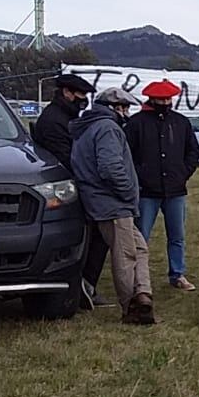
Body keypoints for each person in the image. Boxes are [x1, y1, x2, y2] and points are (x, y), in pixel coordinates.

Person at [69, 86, 156, 325]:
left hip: (103, 201)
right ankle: (132, 307)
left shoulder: (87, 128)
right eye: (124, 108)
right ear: (113, 108)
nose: (127, 113)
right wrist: (129, 192)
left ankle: (143, 293)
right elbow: (110, 167)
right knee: (125, 254)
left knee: (139, 248)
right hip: (113, 203)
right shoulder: (107, 128)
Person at [30, 72, 108, 311]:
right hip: (69, 188)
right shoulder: (55, 121)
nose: (82, 100)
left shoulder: (65, 117)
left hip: (76, 185)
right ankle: (81, 286)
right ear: (66, 93)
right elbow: (68, 157)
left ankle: (84, 285)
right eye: (79, 95)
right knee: (89, 237)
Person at [125, 79, 199, 292]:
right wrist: (140, 176)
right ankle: (138, 278)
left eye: (168, 99)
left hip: (176, 190)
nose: (166, 102)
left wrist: (184, 173)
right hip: (147, 191)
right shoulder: (136, 123)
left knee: (177, 236)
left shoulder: (181, 122)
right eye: (162, 99)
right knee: (141, 237)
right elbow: (127, 155)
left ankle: (177, 274)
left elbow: (193, 150)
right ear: (152, 99)